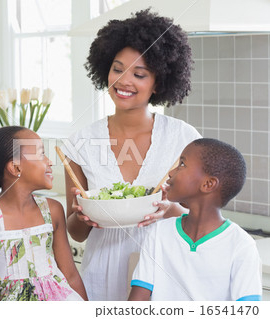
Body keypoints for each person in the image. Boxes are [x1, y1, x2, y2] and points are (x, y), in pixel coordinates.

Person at [61, 9, 202, 300]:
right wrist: (81, 217)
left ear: (159, 82)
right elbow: (76, 233)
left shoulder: (184, 140)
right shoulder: (80, 144)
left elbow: (201, 218)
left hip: (165, 269)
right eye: (117, 69)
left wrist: (170, 211)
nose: (124, 81)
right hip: (101, 273)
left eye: (139, 74)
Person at [129, 138, 262, 301]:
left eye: (182, 164)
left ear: (208, 184)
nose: (171, 173)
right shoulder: (158, 233)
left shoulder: (241, 246)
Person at [0, 126, 87, 301]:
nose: (50, 161)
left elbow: (71, 274)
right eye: (41, 154)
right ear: (16, 168)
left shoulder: (53, 210)